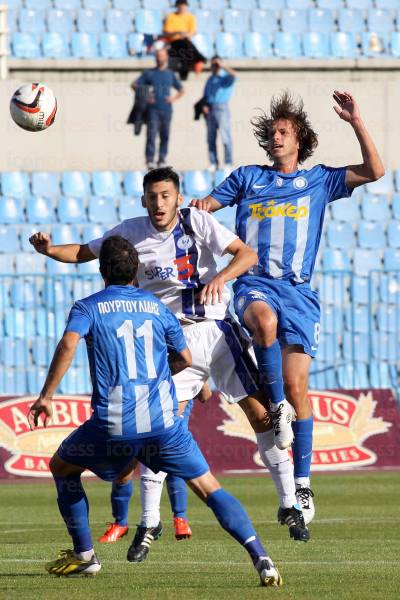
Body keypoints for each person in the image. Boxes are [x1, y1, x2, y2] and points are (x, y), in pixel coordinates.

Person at [29, 167, 309, 559]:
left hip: (215, 331)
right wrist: (48, 250)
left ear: (178, 197)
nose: (159, 203)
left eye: (166, 196)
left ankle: (290, 505)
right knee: (160, 426)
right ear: (144, 200)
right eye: (153, 197)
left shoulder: (199, 221)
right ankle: (149, 522)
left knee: (261, 417)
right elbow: (81, 252)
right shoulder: (130, 231)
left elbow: (247, 254)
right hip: (170, 339)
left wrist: (222, 278)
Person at [27, 235, 282, 587]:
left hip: (113, 423)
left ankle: (85, 555)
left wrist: (47, 396)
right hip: (163, 422)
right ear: (136, 273)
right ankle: (262, 557)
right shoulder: (157, 307)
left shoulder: (87, 307)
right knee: (209, 487)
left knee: (62, 468)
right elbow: (186, 359)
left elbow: (70, 341)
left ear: (101, 270)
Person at [190, 90, 385, 525]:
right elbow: (208, 207)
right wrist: (200, 207)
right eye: (273, 131)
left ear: (300, 140)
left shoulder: (319, 181)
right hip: (253, 284)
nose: (276, 137)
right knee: (263, 320)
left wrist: (356, 120)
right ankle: (275, 408)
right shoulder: (247, 178)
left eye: (285, 131)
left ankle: (302, 484)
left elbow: (375, 170)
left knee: (301, 391)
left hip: (299, 293)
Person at [132, 47, 184, 170]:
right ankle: (150, 160)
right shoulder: (149, 73)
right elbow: (134, 84)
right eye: (157, 55)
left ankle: (162, 159)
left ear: (166, 57)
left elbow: (181, 90)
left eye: (161, 55)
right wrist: (145, 96)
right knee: (151, 134)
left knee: (165, 135)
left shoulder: (170, 74)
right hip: (152, 110)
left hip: (166, 109)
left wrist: (174, 99)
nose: (159, 58)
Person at [203, 56, 236, 171]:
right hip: (210, 109)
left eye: (216, 64)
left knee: (225, 138)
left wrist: (222, 65)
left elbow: (234, 74)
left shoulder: (225, 77)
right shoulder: (210, 79)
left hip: (222, 109)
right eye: (213, 64)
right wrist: (205, 105)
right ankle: (213, 163)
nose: (214, 67)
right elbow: (206, 95)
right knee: (210, 138)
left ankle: (228, 162)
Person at [163, 0, 206, 81]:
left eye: (184, 6)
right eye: (180, 6)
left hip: (186, 42)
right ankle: (199, 58)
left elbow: (192, 32)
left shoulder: (190, 17)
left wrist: (184, 34)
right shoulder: (171, 16)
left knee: (185, 52)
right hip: (175, 42)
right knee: (185, 46)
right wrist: (178, 32)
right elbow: (168, 33)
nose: (182, 8)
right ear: (177, 7)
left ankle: (184, 75)